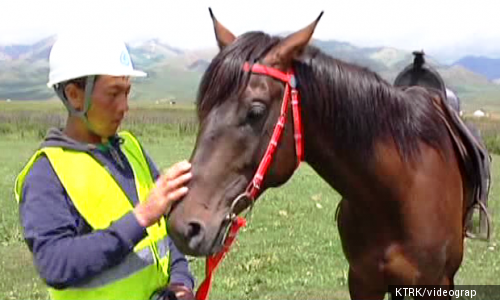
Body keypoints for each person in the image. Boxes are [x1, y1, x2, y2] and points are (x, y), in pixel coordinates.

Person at [14, 33, 195, 300]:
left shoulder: (130, 149)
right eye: (113, 94)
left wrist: (181, 282)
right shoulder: (46, 174)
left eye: (127, 92)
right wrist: (140, 217)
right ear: (75, 96)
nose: (124, 107)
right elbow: (55, 264)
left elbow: (163, 230)